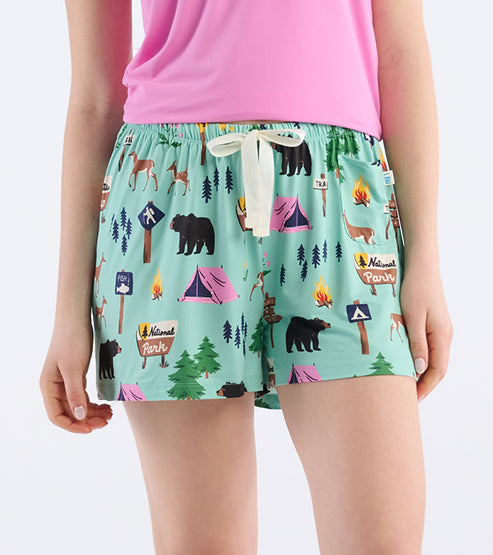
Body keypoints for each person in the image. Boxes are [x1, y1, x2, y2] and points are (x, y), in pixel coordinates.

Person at [39, 0, 453, 553]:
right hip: (173, 189)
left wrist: (425, 257)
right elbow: (95, 99)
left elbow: (401, 54)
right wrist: (68, 310)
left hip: (340, 199)